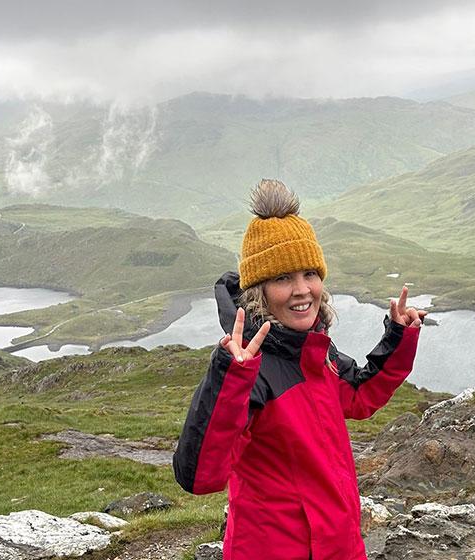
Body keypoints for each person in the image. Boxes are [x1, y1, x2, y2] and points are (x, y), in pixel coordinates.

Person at [173, 179, 424, 559]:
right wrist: (230, 376)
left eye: (310, 273)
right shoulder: (250, 371)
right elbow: (200, 476)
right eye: (282, 278)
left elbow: (360, 396)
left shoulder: (313, 350)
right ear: (258, 290)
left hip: (339, 546)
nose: (302, 289)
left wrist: (399, 335)